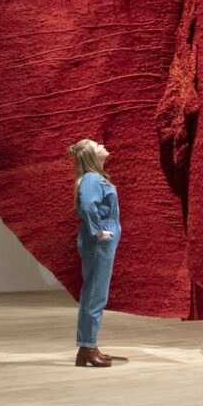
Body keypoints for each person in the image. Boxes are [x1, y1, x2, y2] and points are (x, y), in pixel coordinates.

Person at [67, 138, 124, 368]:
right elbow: (89, 205)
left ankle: (89, 345)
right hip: (99, 242)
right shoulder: (91, 179)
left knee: (95, 292)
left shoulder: (95, 177)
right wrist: (99, 230)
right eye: (96, 145)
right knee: (95, 294)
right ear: (91, 156)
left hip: (103, 241)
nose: (101, 145)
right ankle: (87, 347)